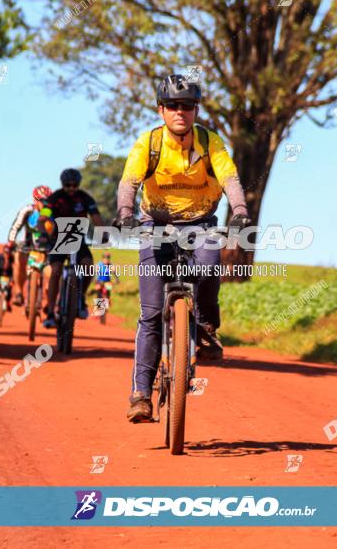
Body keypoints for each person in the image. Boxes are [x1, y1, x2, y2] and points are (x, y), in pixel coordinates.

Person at [116, 74, 250, 423]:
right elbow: (128, 182)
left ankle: (205, 329)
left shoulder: (210, 142)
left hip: (200, 222)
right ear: (161, 109)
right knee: (149, 313)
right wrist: (126, 213)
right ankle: (141, 394)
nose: (180, 111)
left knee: (207, 269)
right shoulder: (149, 143)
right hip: (154, 223)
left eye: (187, 105)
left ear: (195, 110)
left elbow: (230, 179)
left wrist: (240, 211)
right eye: (173, 105)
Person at [42, 168, 104, 328]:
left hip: (78, 239)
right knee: (55, 270)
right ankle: (50, 313)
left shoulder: (85, 199)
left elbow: (96, 218)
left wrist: (103, 233)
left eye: (74, 185)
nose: (71, 188)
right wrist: (43, 231)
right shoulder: (54, 197)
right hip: (58, 239)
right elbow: (43, 217)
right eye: (68, 185)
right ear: (63, 185)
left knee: (89, 268)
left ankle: (79, 298)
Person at [7, 186, 52, 307]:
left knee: (54, 272)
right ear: (34, 200)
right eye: (39, 200)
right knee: (18, 258)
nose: (42, 203)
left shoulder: (54, 213)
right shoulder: (27, 210)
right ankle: (19, 292)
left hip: (47, 247)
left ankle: (49, 303)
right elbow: (16, 226)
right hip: (28, 245)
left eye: (46, 200)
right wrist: (11, 241)